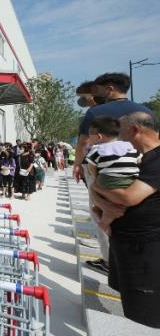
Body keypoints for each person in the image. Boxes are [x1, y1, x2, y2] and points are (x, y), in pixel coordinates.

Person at [73, 72, 152, 272]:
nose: (94, 93)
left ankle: (108, 260)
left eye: (97, 89)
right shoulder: (145, 110)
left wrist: (78, 165)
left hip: (102, 168)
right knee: (134, 211)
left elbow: (83, 142)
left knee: (100, 209)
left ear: (109, 88)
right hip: (137, 167)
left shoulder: (96, 112)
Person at [91, 112, 160, 328]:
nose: (118, 138)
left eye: (121, 132)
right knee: (130, 304)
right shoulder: (136, 157)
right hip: (127, 244)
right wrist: (102, 199)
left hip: (145, 252)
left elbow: (128, 197)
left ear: (135, 130)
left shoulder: (157, 159)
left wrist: (96, 186)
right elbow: (104, 195)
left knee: (145, 315)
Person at [86, 117, 140, 232]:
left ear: (99, 136)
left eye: (90, 138)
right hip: (130, 181)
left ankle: (102, 217)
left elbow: (91, 167)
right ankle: (105, 219)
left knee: (103, 196)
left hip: (107, 180)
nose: (89, 141)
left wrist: (96, 177)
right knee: (122, 203)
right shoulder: (130, 146)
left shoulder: (96, 149)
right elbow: (139, 162)